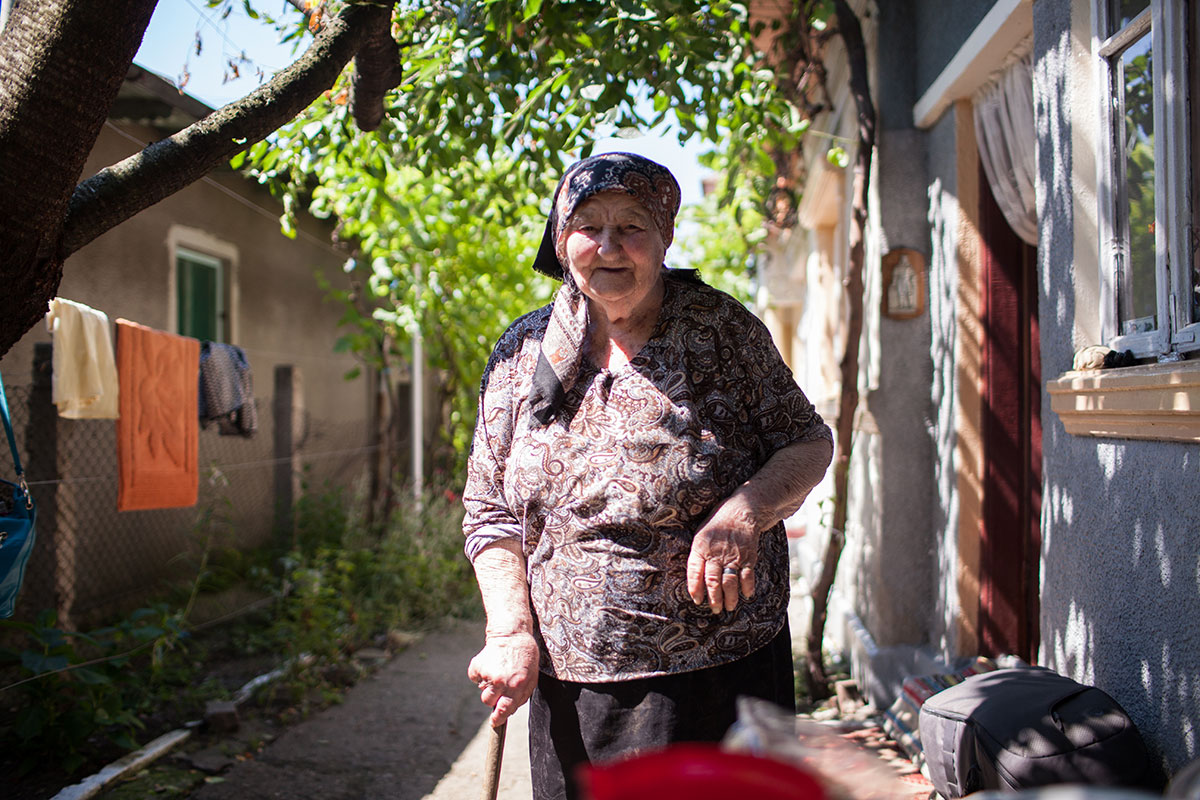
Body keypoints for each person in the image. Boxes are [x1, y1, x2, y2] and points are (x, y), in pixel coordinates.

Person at [462, 152, 833, 800]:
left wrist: (743, 514)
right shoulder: (520, 355)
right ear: (561, 239)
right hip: (577, 682)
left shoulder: (722, 331)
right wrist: (509, 633)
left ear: (663, 237)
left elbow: (807, 442)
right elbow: (489, 510)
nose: (609, 246)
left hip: (724, 673)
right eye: (588, 225)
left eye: (631, 226)